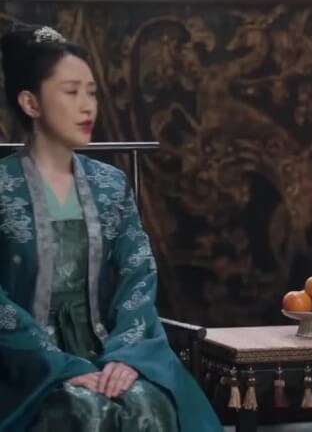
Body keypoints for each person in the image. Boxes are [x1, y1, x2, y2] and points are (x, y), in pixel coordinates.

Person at [0, 23, 221, 431]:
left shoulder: (110, 185)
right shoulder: (2, 187)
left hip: (108, 347)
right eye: (71, 92)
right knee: (83, 410)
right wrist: (56, 364)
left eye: (92, 92)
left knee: (146, 403)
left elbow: (138, 274)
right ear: (30, 103)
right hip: (23, 362)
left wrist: (126, 356)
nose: (87, 107)